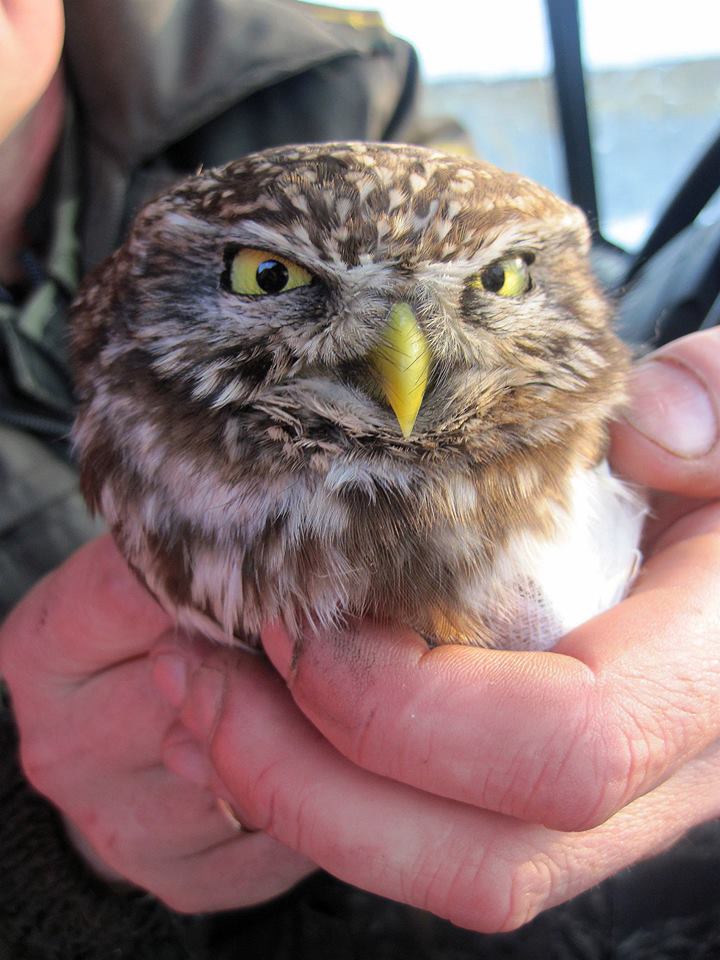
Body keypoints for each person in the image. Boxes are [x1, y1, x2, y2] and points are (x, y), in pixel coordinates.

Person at [1, 2, 719, 958]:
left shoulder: (326, 75)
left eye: (496, 284)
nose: (404, 360)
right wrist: (45, 859)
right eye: (269, 279)